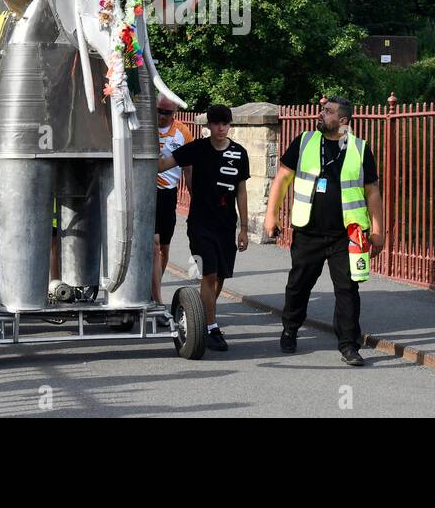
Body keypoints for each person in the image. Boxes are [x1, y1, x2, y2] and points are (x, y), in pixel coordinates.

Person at [264, 96, 385, 367]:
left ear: (343, 121)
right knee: (299, 284)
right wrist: (271, 215)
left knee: (347, 289)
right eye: (321, 110)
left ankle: (349, 345)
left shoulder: (360, 148)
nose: (321, 114)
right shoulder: (304, 141)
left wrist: (378, 230)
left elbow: (372, 191)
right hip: (309, 230)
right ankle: (290, 329)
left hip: (347, 234)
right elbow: (282, 177)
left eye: (327, 111)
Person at [157, 104, 249, 352]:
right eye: (216, 123)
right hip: (200, 224)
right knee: (208, 273)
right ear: (208, 126)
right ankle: (210, 326)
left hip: (226, 224)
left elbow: (241, 190)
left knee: (219, 276)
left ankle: (199, 314)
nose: (221, 128)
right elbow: (163, 165)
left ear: (230, 125)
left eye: (225, 123)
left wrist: (244, 228)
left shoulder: (239, 153)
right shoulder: (197, 148)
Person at [152, 96, 193, 304]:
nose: (161, 116)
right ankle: (156, 297)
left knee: (164, 249)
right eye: (158, 110)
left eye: (166, 113)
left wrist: (196, 200)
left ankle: (153, 285)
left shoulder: (183, 132)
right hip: (146, 191)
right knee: (154, 243)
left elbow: (188, 168)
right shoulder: (145, 125)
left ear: (175, 112)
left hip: (168, 194)